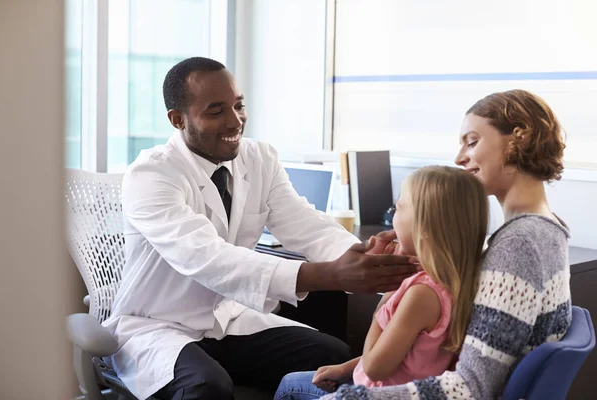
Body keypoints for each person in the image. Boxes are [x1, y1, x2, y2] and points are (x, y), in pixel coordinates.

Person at [102, 56, 418, 400]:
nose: (235, 120)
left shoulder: (259, 158)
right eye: (216, 111)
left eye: (238, 106)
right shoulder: (151, 174)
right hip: (157, 326)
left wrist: (365, 256)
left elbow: (307, 224)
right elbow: (208, 258)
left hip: (227, 320)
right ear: (178, 119)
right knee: (206, 386)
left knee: (334, 361)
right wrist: (331, 275)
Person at [317, 89, 571, 400]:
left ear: (517, 139)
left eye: (472, 141)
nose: (460, 157)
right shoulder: (548, 229)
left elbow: (473, 387)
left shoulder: (518, 245)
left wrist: (348, 398)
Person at [274, 165, 489, 400]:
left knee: (290, 386)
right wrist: (345, 369)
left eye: (398, 208)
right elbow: (402, 353)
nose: (391, 220)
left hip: (378, 393)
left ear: (424, 227)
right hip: (399, 387)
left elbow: (375, 367)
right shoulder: (458, 280)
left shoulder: (421, 295)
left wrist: (386, 300)